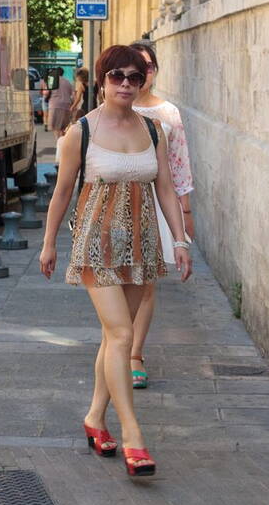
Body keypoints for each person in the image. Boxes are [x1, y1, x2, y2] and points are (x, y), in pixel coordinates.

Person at [39, 45, 192, 477]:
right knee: (122, 335)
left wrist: (180, 242)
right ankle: (133, 436)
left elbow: (165, 187)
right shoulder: (79, 133)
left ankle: (93, 418)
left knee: (113, 339)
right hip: (96, 245)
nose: (126, 84)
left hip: (141, 245)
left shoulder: (154, 129)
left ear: (144, 82)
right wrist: (48, 243)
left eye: (135, 77)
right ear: (102, 81)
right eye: (117, 76)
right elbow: (62, 193)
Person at [128, 41, 195, 388]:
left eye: (149, 66)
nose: (142, 74)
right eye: (135, 67)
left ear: (154, 71)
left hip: (158, 202)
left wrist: (185, 214)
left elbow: (179, 166)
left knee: (147, 284)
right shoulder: (112, 108)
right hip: (121, 204)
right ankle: (118, 342)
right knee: (121, 280)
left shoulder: (168, 113)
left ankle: (135, 353)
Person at [47, 70, 74, 140]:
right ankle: (62, 142)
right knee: (63, 128)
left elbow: (47, 92)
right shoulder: (68, 82)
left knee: (55, 127)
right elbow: (72, 95)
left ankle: (59, 142)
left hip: (55, 105)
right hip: (66, 106)